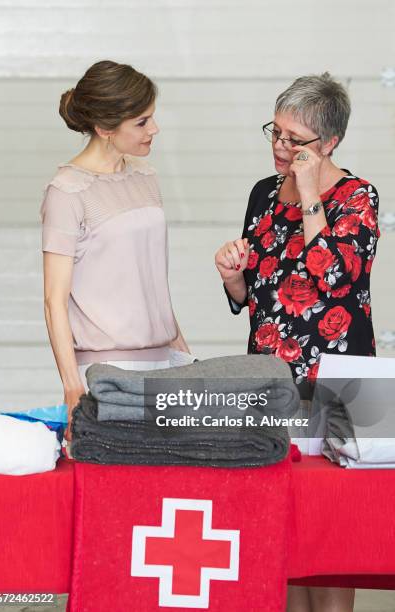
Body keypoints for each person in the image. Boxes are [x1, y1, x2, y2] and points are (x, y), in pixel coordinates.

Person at [215, 73, 380, 612]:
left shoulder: (358, 197)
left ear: (330, 143)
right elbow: (257, 293)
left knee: (331, 535)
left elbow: (332, 277)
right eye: (276, 133)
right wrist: (233, 277)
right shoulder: (263, 193)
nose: (280, 148)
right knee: (280, 525)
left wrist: (311, 196)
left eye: (295, 140)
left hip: (339, 385)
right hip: (269, 379)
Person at [41, 60, 190, 440]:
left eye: (152, 117)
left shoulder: (146, 177)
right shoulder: (67, 191)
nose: (153, 129)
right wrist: (72, 385)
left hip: (166, 362)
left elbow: (151, 275)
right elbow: (53, 301)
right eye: (142, 122)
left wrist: (184, 355)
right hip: (108, 373)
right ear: (105, 128)